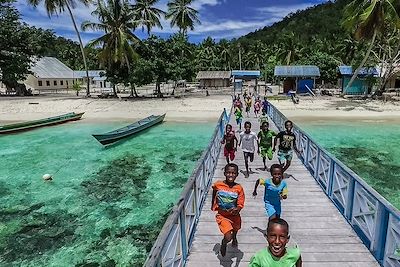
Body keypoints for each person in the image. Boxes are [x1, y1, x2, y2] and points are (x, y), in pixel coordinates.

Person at [211, 163, 245, 257]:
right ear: (225, 173)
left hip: (234, 216)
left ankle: (235, 238)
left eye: (233, 173)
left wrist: (237, 209)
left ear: (237, 174)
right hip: (222, 216)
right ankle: (224, 242)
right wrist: (213, 203)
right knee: (227, 236)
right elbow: (214, 190)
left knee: (235, 229)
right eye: (228, 173)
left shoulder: (239, 188)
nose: (231, 175)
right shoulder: (218, 184)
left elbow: (240, 203)